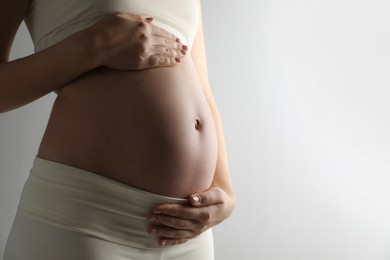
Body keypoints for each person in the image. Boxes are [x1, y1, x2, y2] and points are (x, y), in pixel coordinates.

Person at [1, 0, 236, 259]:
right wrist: (94, 45)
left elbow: (203, 89)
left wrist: (225, 190)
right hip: (85, 221)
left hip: (187, 232)